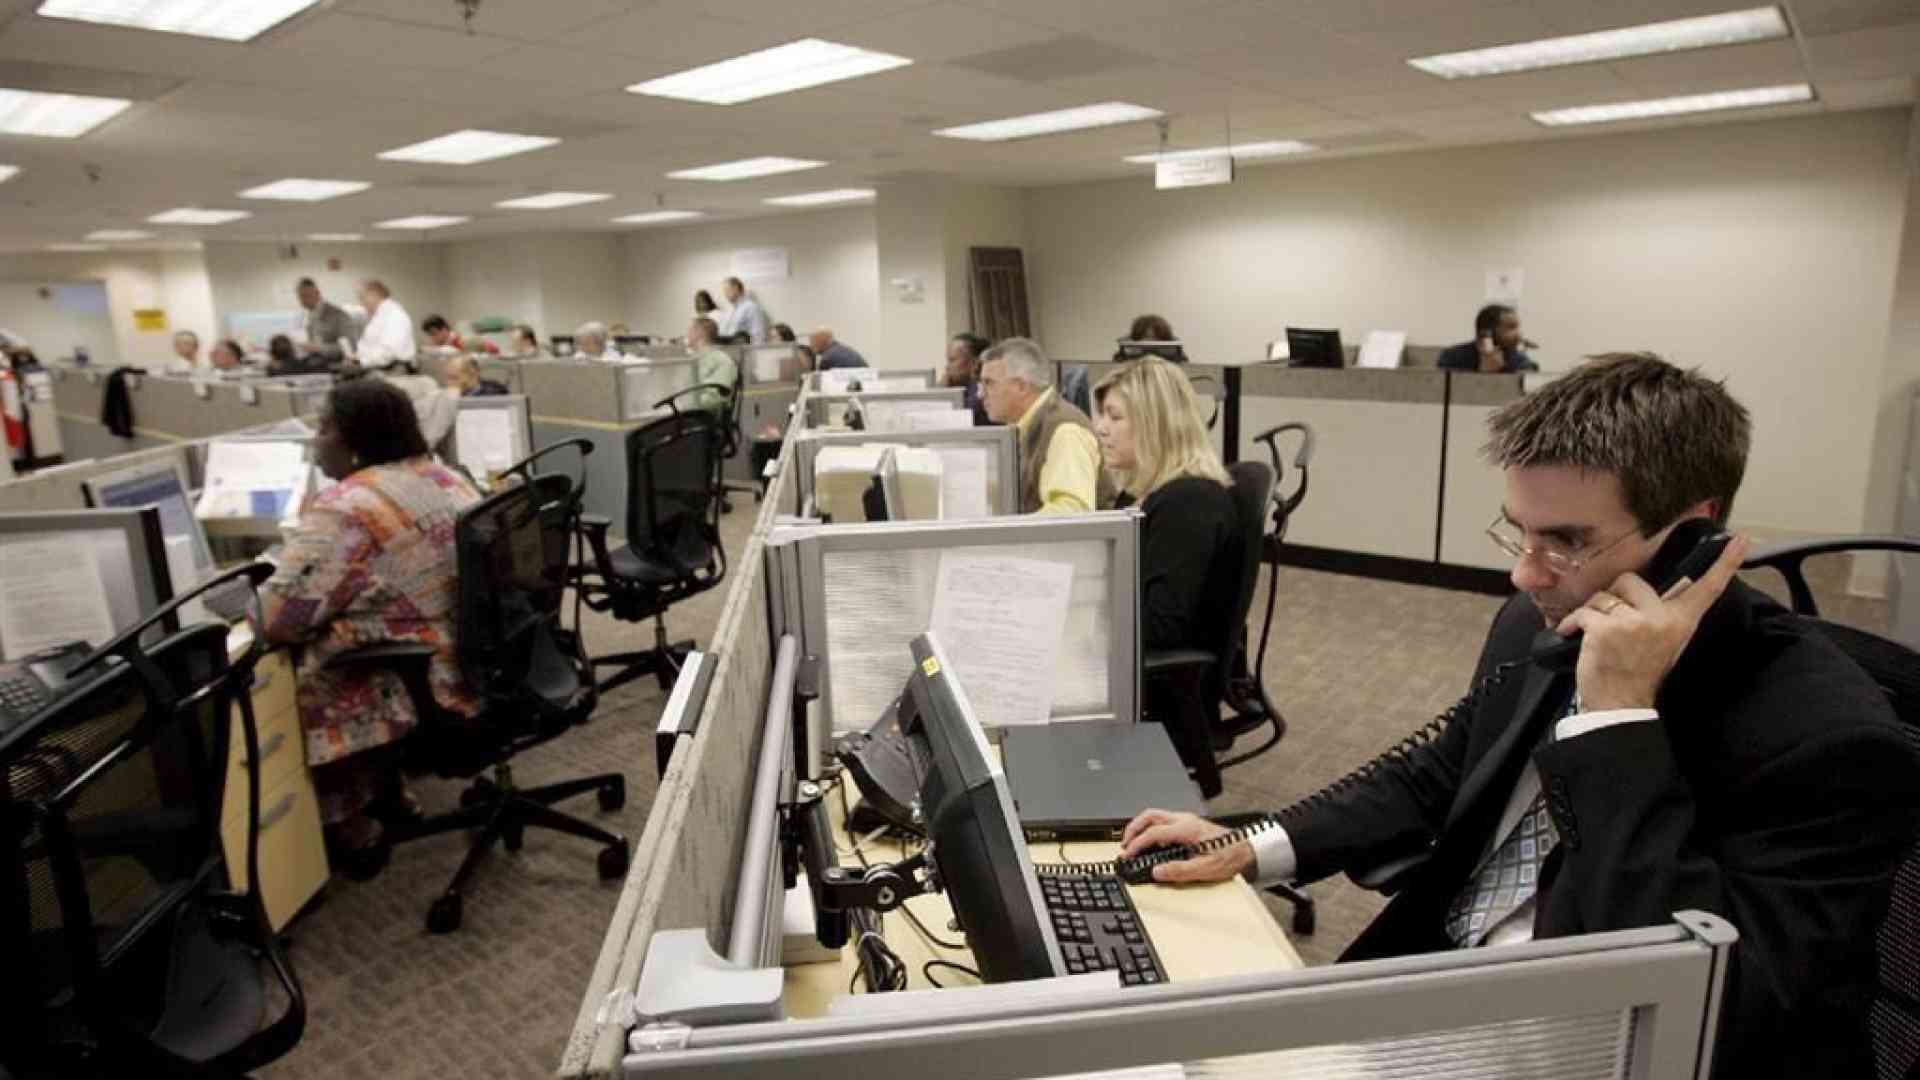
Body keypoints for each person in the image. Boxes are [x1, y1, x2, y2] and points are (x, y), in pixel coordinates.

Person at [1119, 353, 1920, 1080]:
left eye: (1565, 541)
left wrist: (1618, 720)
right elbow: (1437, 770)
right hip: (1452, 989)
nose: (1524, 574)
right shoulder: (1543, 620)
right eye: (1520, 533)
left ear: (1694, 533)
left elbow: (1706, 1001)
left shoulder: (1828, 739)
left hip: (1600, 1042)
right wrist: (1252, 845)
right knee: (1157, 1040)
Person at [260, 379, 482, 877]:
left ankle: (347, 820)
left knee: (305, 664)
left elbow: (279, 620)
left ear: (355, 439)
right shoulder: (444, 476)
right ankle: (389, 789)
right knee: (350, 626)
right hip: (479, 658)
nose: (316, 440)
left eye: (324, 428)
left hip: (429, 679)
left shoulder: (350, 504)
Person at [1093, 358, 1238, 651]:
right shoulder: (1139, 492)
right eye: (1102, 416)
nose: (1100, 428)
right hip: (1123, 647)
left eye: (1115, 417)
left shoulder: (1190, 503)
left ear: (1155, 425)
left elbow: (1161, 627)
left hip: (1152, 669)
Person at [980, 337, 1113, 514]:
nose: (981, 394)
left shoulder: (1065, 431)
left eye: (989, 383)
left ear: (1021, 387)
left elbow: (1070, 512)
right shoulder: (1026, 427)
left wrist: (1009, 527)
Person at [1439, 304, 1538, 373]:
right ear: (1487, 332)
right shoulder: (1452, 357)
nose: (1519, 335)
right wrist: (1483, 373)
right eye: (1511, 328)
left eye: (1517, 327)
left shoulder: (1520, 361)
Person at [354, 279, 416, 371]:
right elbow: (368, 346)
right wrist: (357, 357)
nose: (361, 303)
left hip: (393, 370)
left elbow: (388, 353)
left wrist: (361, 361)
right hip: (377, 367)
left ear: (374, 295)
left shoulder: (395, 316)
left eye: (362, 298)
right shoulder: (379, 316)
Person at [685, 316, 738, 417]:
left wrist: (686, 403)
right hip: (686, 412)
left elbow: (716, 397)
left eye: (690, 331)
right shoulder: (692, 359)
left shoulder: (722, 361)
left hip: (704, 416)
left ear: (699, 333)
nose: (687, 335)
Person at [297, 277, 353, 364]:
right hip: (316, 363)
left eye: (306, 296)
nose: (302, 301)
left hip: (335, 365)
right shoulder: (310, 315)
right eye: (300, 297)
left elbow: (349, 347)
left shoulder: (338, 315)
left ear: (317, 293)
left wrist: (319, 348)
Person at [945, 332, 991, 426]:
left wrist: (942, 393)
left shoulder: (979, 398)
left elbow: (951, 421)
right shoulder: (967, 390)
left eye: (952, 360)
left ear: (974, 363)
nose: (947, 367)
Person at [718, 276, 770, 344]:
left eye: (727, 290)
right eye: (724, 291)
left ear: (736, 288)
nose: (725, 294)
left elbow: (758, 334)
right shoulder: (728, 311)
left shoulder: (751, 307)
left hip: (745, 348)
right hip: (728, 348)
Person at [1117, 313, 1187, 362]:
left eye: (1156, 338)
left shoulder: (1175, 351)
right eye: (1147, 337)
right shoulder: (1127, 351)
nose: (1151, 342)